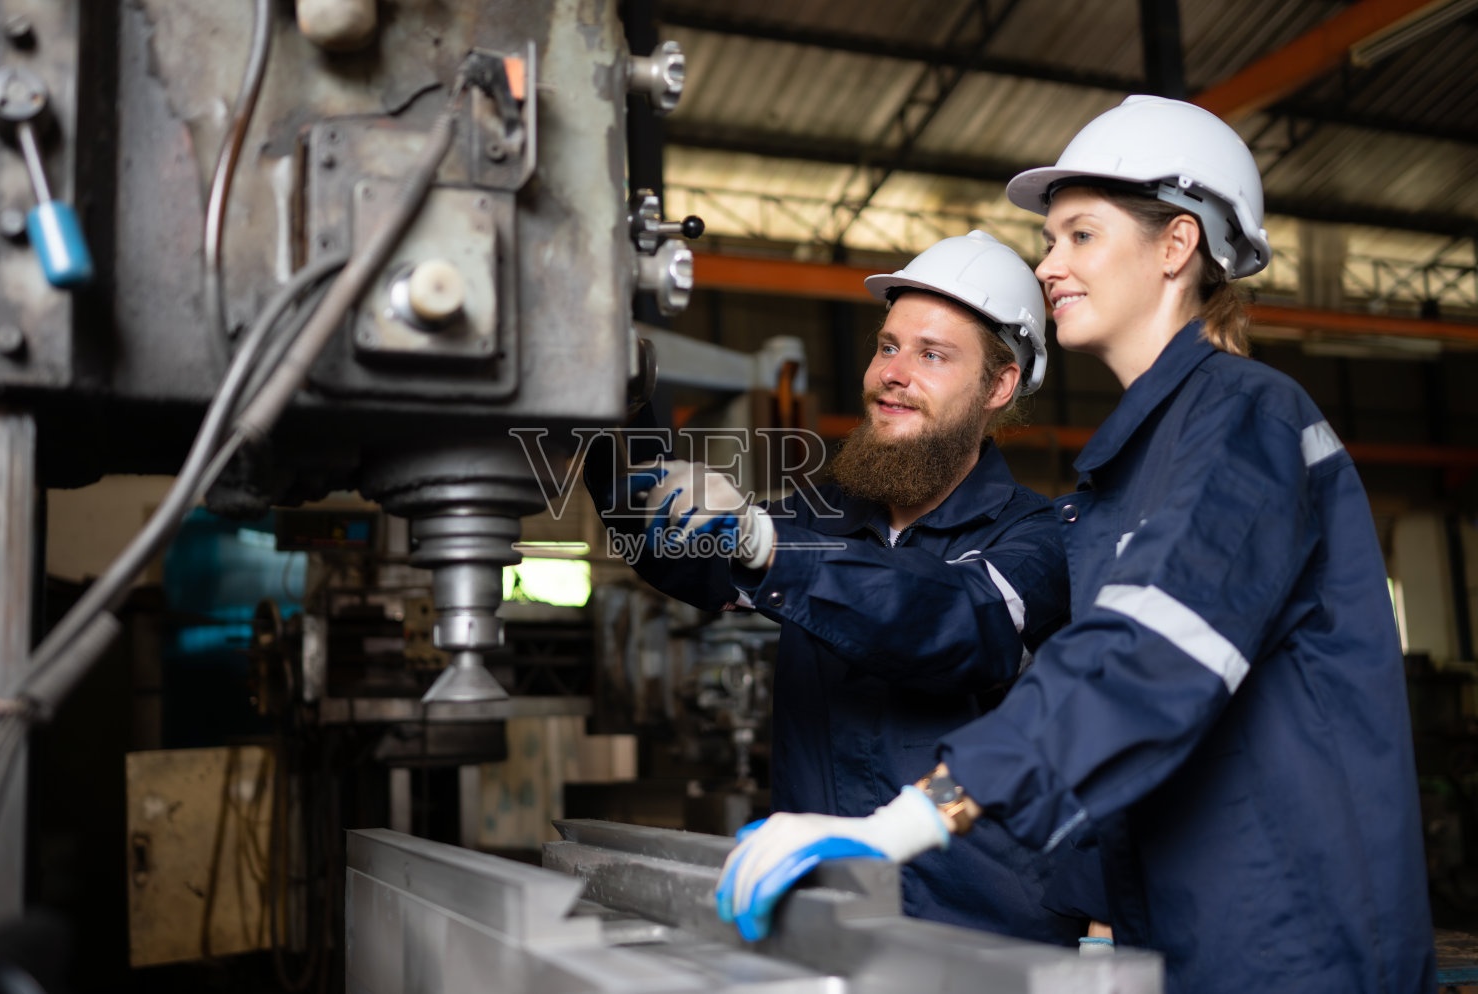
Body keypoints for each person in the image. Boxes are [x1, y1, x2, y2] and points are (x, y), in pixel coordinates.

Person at [714, 95, 1436, 994]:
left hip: (1287, 941)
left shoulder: (1247, 417)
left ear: (1177, 246)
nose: (1049, 266)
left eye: (1079, 236)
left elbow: (1139, 663)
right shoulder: (1127, 473)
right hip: (1187, 932)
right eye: (1050, 240)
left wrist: (903, 824)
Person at [586, 231, 1095, 944]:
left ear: (998, 387)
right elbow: (667, 548)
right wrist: (619, 393)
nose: (894, 372)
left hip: (985, 943)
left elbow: (953, 623)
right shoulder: (823, 515)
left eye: (933, 354)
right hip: (828, 926)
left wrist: (766, 543)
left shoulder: (1040, 539)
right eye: (888, 346)